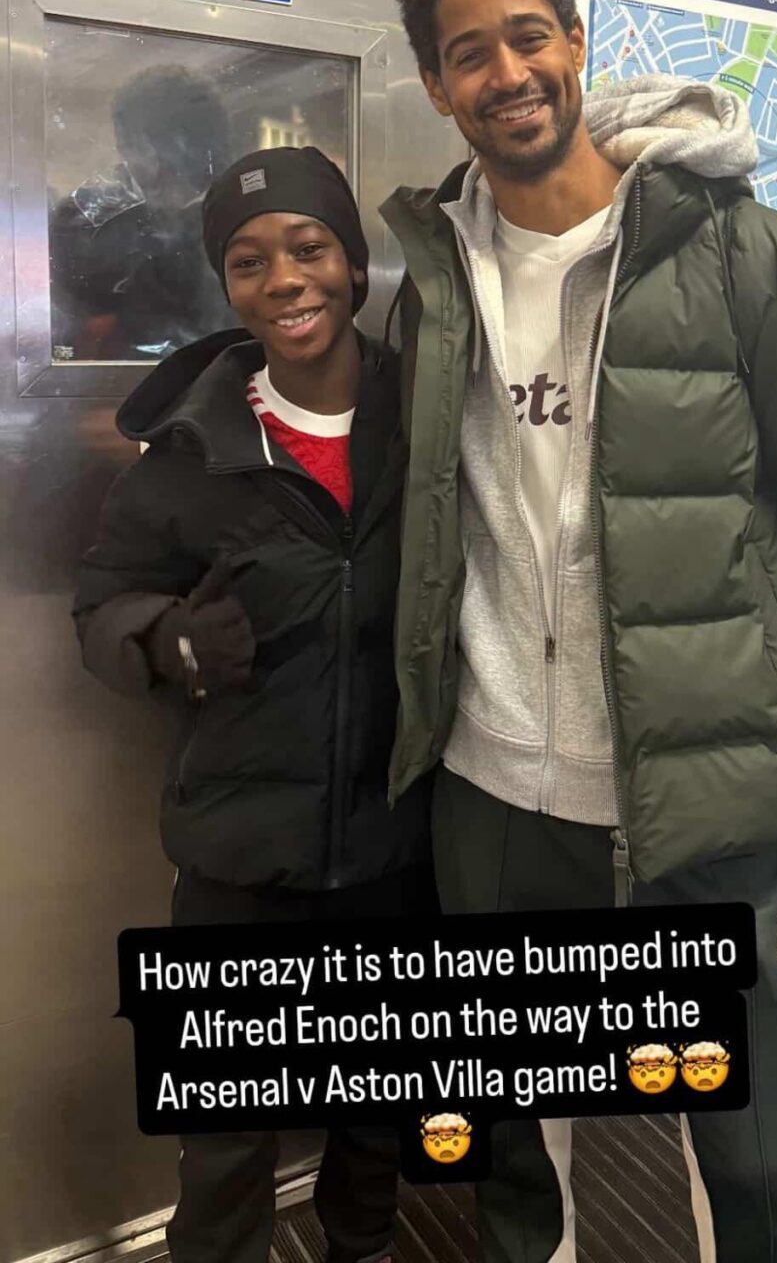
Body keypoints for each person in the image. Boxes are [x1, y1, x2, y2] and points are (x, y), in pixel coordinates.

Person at [380, 0, 777, 1263]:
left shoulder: (749, 257)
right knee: (515, 1153)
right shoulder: (431, 287)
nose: (503, 74)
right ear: (435, 87)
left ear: (572, 42)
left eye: (524, 37)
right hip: (493, 795)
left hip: (703, 803)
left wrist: (765, 681)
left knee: (745, 1165)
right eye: (465, 55)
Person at [73, 145, 434, 1263]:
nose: (283, 279)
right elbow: (98, 607)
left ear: (354, 261)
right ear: (225, 285)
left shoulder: (426, 419)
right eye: (247, 261)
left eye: (308, 247)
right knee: (225, 1134)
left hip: (395, 843)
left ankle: (364, 1248)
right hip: (238, 854)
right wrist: (169, 641)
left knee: (376, 1106)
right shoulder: (193, 447)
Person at [50, 66, 235, 361]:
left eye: (138, 146)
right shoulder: (91, 222)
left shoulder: (237, 220)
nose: (138, 162)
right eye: (129, 147)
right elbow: (74, 345)